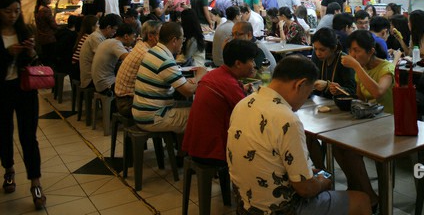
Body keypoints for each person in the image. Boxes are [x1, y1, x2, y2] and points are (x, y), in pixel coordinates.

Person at [227, 55, 371, 215]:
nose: (304, 101)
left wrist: (308, 174)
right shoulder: (287, 119)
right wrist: (322, 182)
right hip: (279, 210)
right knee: (361, 201)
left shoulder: (243, 104)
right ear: (300, 85)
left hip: (246, 205)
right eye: (308, 93)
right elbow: (306, 189)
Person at [331, 30, 394, 210]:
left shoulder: (386, 68)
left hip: (388, 123)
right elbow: (361, 99)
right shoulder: (362, 69)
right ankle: (359, 189)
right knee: (337, 145)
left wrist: (356, 67)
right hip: (370, 121)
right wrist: (340, 90)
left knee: (351, 149)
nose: (353, 54)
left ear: (371, 51)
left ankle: (369, 196)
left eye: (357, 50)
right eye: (351, 50)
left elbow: (378, 92)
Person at [0, 0, 47, 210]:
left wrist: (30, 52)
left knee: (29, 136)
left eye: (16, 11)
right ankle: (9, 169)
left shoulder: (25, 30)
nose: (13, 16)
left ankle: (35, 183)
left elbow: (36, 62)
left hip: (25, 89)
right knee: (4, 133)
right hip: (2, 90)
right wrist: (8, 53)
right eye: (7, 11)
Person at [183, 39, 258, 169]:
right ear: (238, 63)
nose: (254, 65)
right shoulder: (229, 84)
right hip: (212, 151)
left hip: (196, 144)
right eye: (251, 60)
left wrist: (241, 89)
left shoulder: (215, 74)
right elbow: (249, 114)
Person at [133, 22, 203, 133]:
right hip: (152, 117)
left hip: (143, 112)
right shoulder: (164, 60)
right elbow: (188, 91)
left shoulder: (153, 51)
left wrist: (191, 81)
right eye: (182, 39)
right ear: (174, 40)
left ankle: (180, 143)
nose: (183, 42)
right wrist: (200, 75)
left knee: (193, 106)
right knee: (201, 114)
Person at [115, 20, 162, 118]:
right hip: (127, 103)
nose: (163, 37)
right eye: (160, 34)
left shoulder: (141, 45)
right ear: (150, 36)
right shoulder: (146, 53)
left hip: (123, 99)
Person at [79, 14, 122, 89]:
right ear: (108, 27)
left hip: (96, 76)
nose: (115, 32)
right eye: (115, 29)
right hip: (91, 79)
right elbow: (105, 58)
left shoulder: (99, 36)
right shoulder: (96, 38)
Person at [311, 27, 356, 99]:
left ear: (334, 48)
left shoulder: (345, 61)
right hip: (322, 100)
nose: (318, 53)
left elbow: (353, 92)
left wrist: (329, 86)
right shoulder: (318, 57)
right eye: (315, 49)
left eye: (322, 50)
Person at [91, 23, 136, 95]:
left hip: (99, 82)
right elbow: (130, 60)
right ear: (126, 36)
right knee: (134, 87)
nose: (134, 40)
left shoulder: (110, 41)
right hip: (106, 84)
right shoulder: (116, 44)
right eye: (133, 37)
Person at [34, 0, 58, 66]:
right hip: (49, 38)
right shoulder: (46, 10)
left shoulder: (37, 8)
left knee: (45, 58)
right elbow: (53, 25)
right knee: (50, 59)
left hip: (41, 37)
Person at [71, 15, 98, 82]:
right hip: (78, 69)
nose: (99, 26)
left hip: (75, 67)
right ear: (92, 26)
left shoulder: (83, 35)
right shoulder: (89, 38)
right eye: (97, 24)